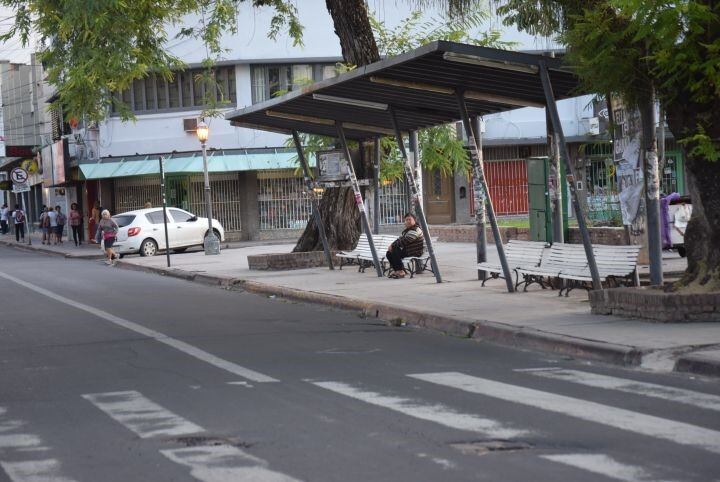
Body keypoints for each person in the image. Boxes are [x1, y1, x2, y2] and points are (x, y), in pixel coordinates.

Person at [386, 213, 424, 279]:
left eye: (410, 219)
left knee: (395, 249)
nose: (408, 221)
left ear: (414, 220)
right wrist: (392, 245)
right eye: (406, 220)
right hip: (409, 250)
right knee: (389, 253)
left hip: (415, 251)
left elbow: (405, 241)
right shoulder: (409, 230)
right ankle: (397, 271)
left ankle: (401, 271)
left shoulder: (416, 230)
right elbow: (400, 239)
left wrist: (393, 246)